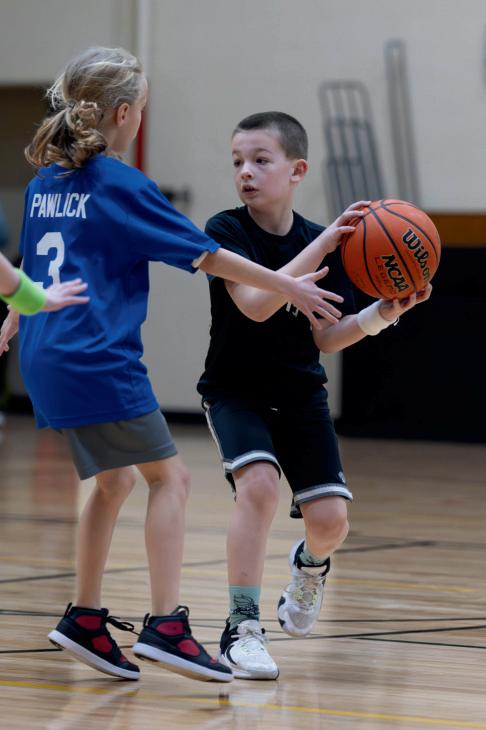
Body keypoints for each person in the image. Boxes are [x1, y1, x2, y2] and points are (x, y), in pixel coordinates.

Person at [0, 50, 346, 684]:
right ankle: (166, 626)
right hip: (95, 353)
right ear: (124, 114)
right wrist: (288, 284)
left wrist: (16, 314)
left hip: (44, 351)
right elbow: (209, 256)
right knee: (172, 481)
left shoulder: (45, 182)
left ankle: (85, 619)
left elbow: (39, 261)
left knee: (114, 483)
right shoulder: (120, 184)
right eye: (142, 110)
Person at [197, 111, 432, 679]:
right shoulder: (225, 230)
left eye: (261, 160)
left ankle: (308, 569)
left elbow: (327, 336)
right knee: (257, 487)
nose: (246, 172)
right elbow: (255, 306)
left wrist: (382, 313)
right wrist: (325, 243)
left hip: (300, 393)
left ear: (297, 170)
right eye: (237, 161)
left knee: (330, 523)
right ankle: (242, 628)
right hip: (235, 391)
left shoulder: (321, 242)